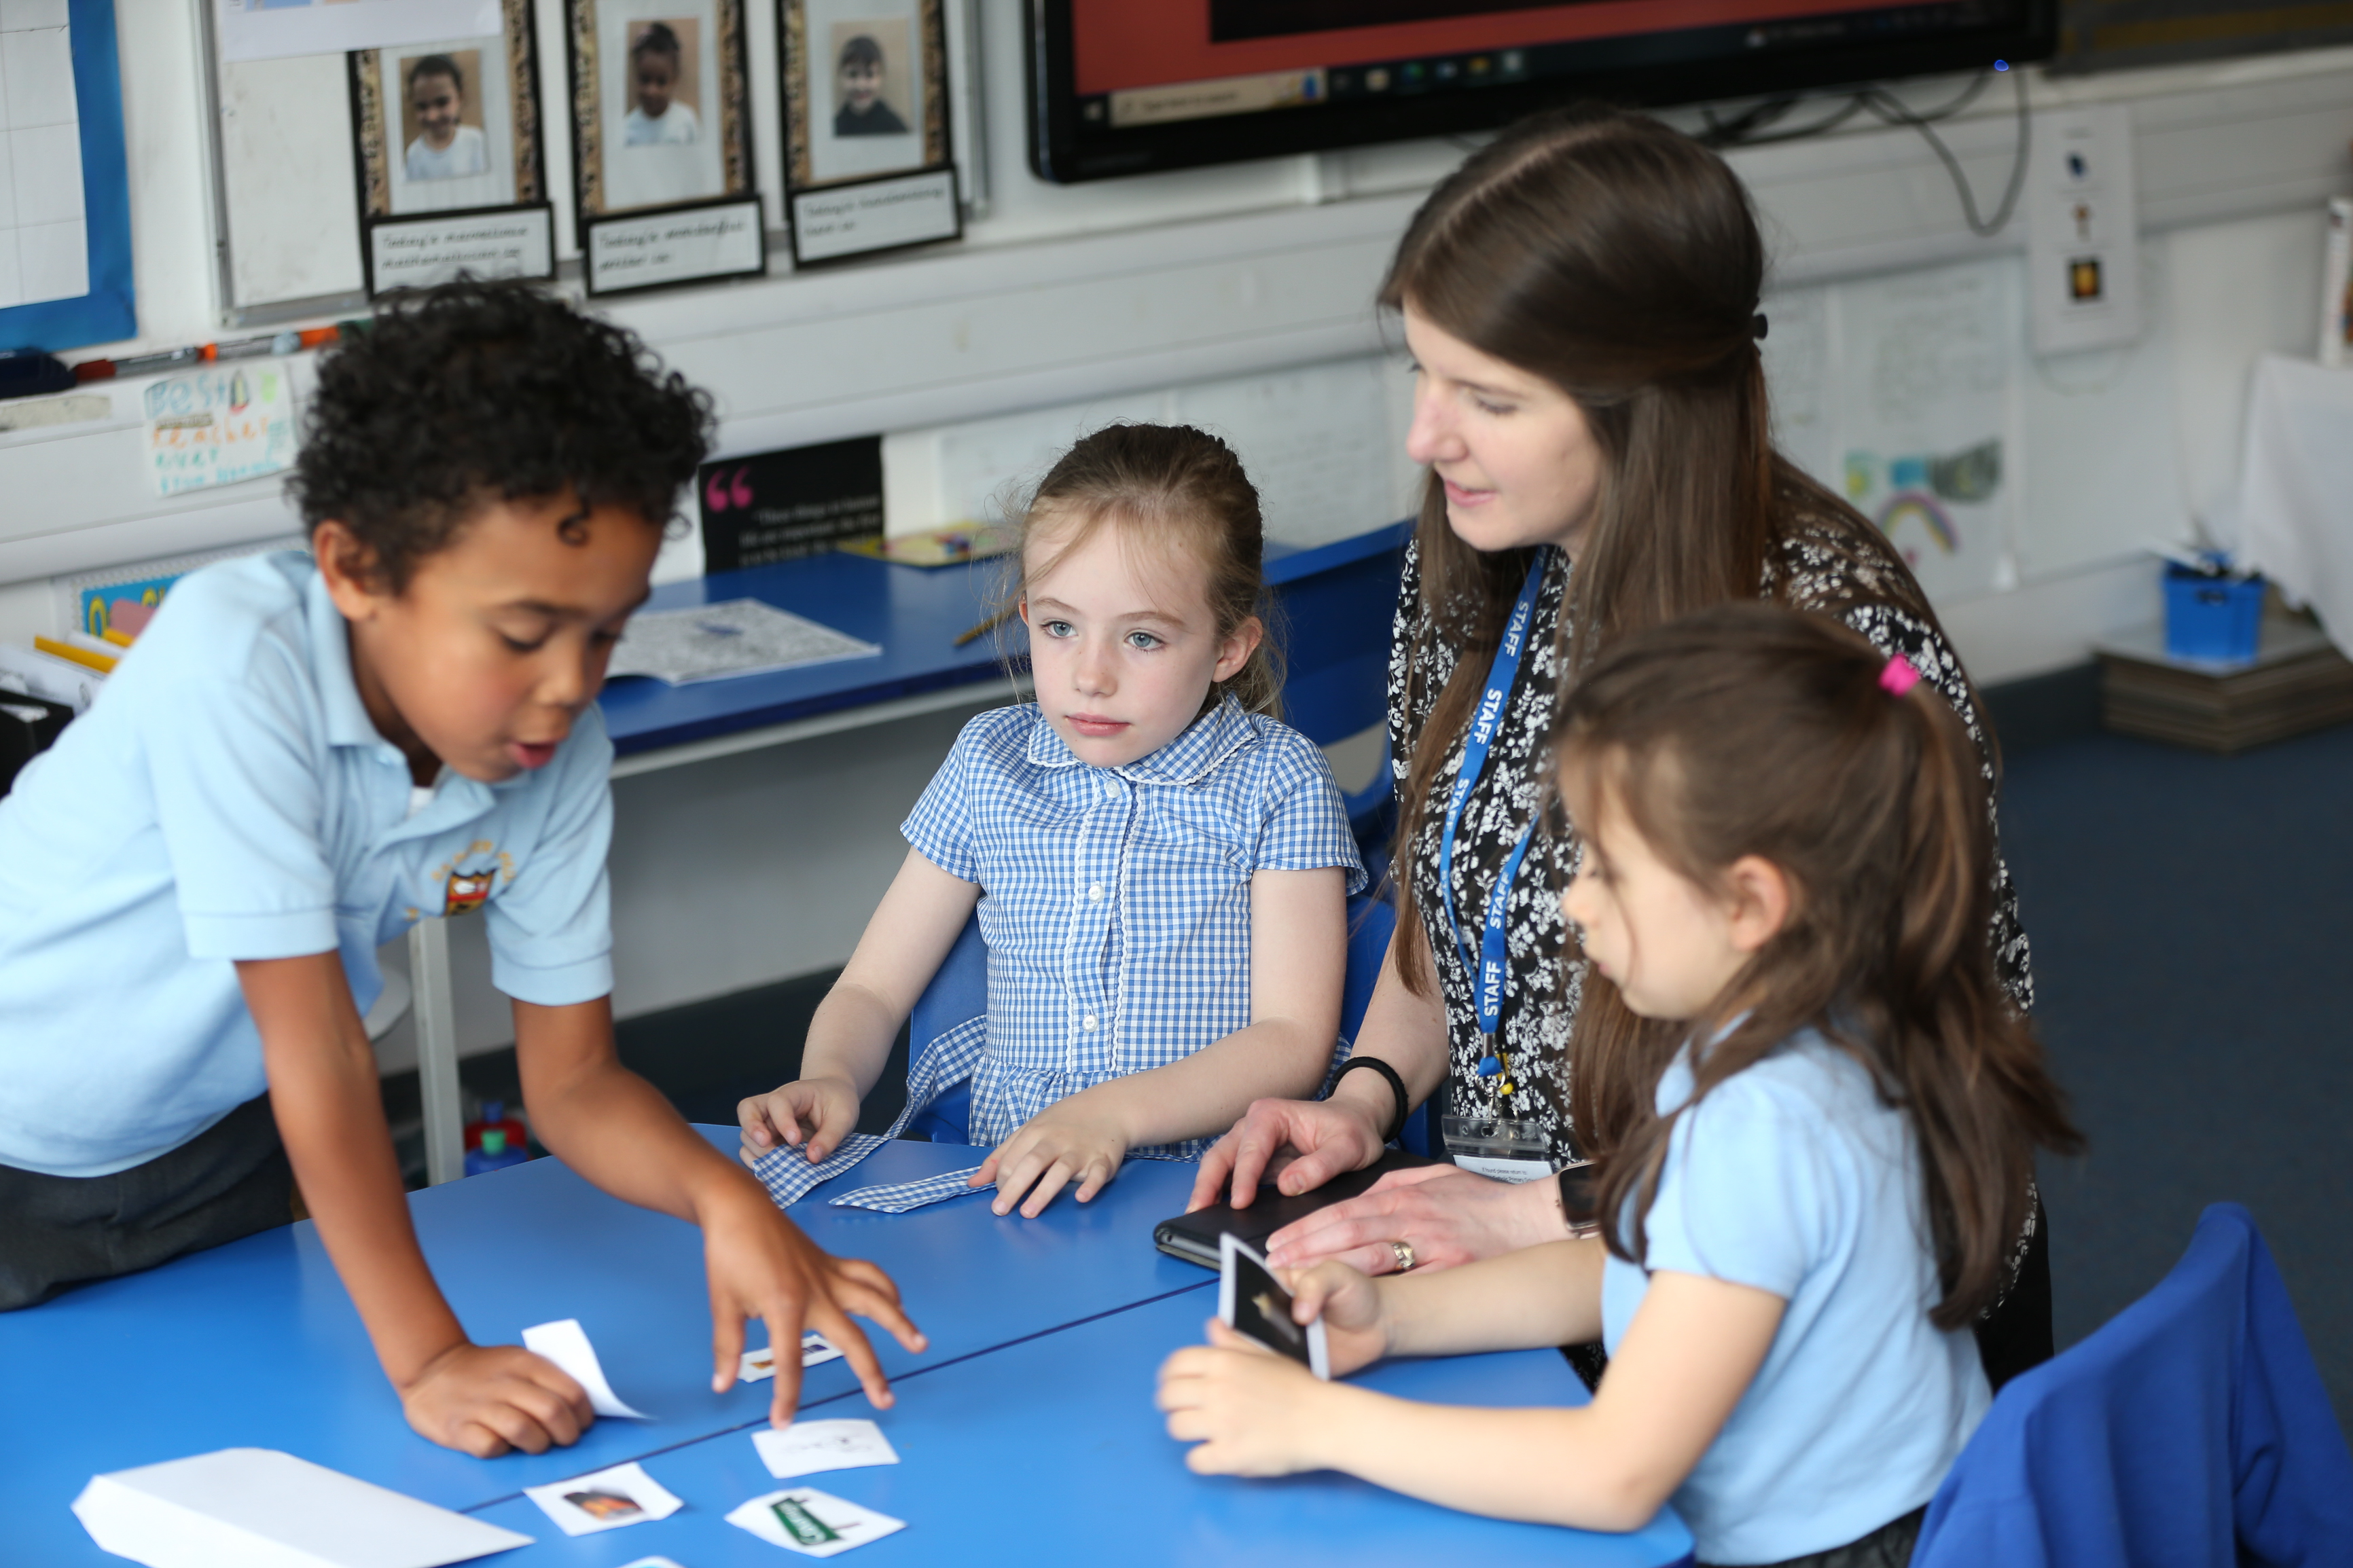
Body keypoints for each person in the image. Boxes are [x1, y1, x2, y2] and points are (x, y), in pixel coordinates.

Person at [1187, 105, 2053, 1387]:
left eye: (1485, 396)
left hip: (1772, 1302)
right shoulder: (1479, 557)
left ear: (1638, 402)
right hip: (1512, 1240)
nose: (1426, 437)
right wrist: (1363, 1094)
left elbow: (1894, 1095)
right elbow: (1446, 900)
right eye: (1422, 374)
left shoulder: (1827, 645)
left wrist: (1549, 1206)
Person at [0, 281, 921, 1456]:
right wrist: (432, 1355)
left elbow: (575, 1079)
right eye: (523, 632)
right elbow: (317, 1041)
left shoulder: (556, 746)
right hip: (14, 1136)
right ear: (354, 567)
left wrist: (729, 1199)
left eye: (604, 630)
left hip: (202, 1146)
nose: (568, 683)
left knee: (230, 1449)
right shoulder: (233, 657)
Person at [1159, 604, 2083, 1567]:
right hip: (1913, 1508)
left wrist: (1315, 1426)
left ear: (1752, 903)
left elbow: (1615, 1473)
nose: (1573, 899)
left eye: (1607, 867)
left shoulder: (1763, 1122)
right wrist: (1388, 1320)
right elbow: (1640, 1267)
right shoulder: (1805, 1032)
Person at [738, 424, 1363, 1218]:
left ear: (1228, 648)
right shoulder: (988, 760)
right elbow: (870, 985)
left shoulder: (1278, 779)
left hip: (1202, 1194)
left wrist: (1110, 1114)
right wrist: (829, 1073)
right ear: (1026, 613)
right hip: (1010, 1189)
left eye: (1141, 637)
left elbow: (1291, 1041)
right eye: (1059, 627)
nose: (1090, 676)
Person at [402, 55, 489, 181]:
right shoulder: (414, 154)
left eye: (442, 102)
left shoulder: (477, 142)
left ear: (459, 98)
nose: (432, 116)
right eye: (422, 106)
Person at [624, 24, 699, 147]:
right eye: (645, 80)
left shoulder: (686, 121)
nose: (651, 91)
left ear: (674, 79)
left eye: (661, 82)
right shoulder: (627, 128)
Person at [833, 35, 908, 137]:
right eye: (852, 74)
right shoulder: (834, 127)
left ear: (882, 77)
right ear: (840, 76)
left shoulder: (895, 128)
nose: (860, 86)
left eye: (869, 75)